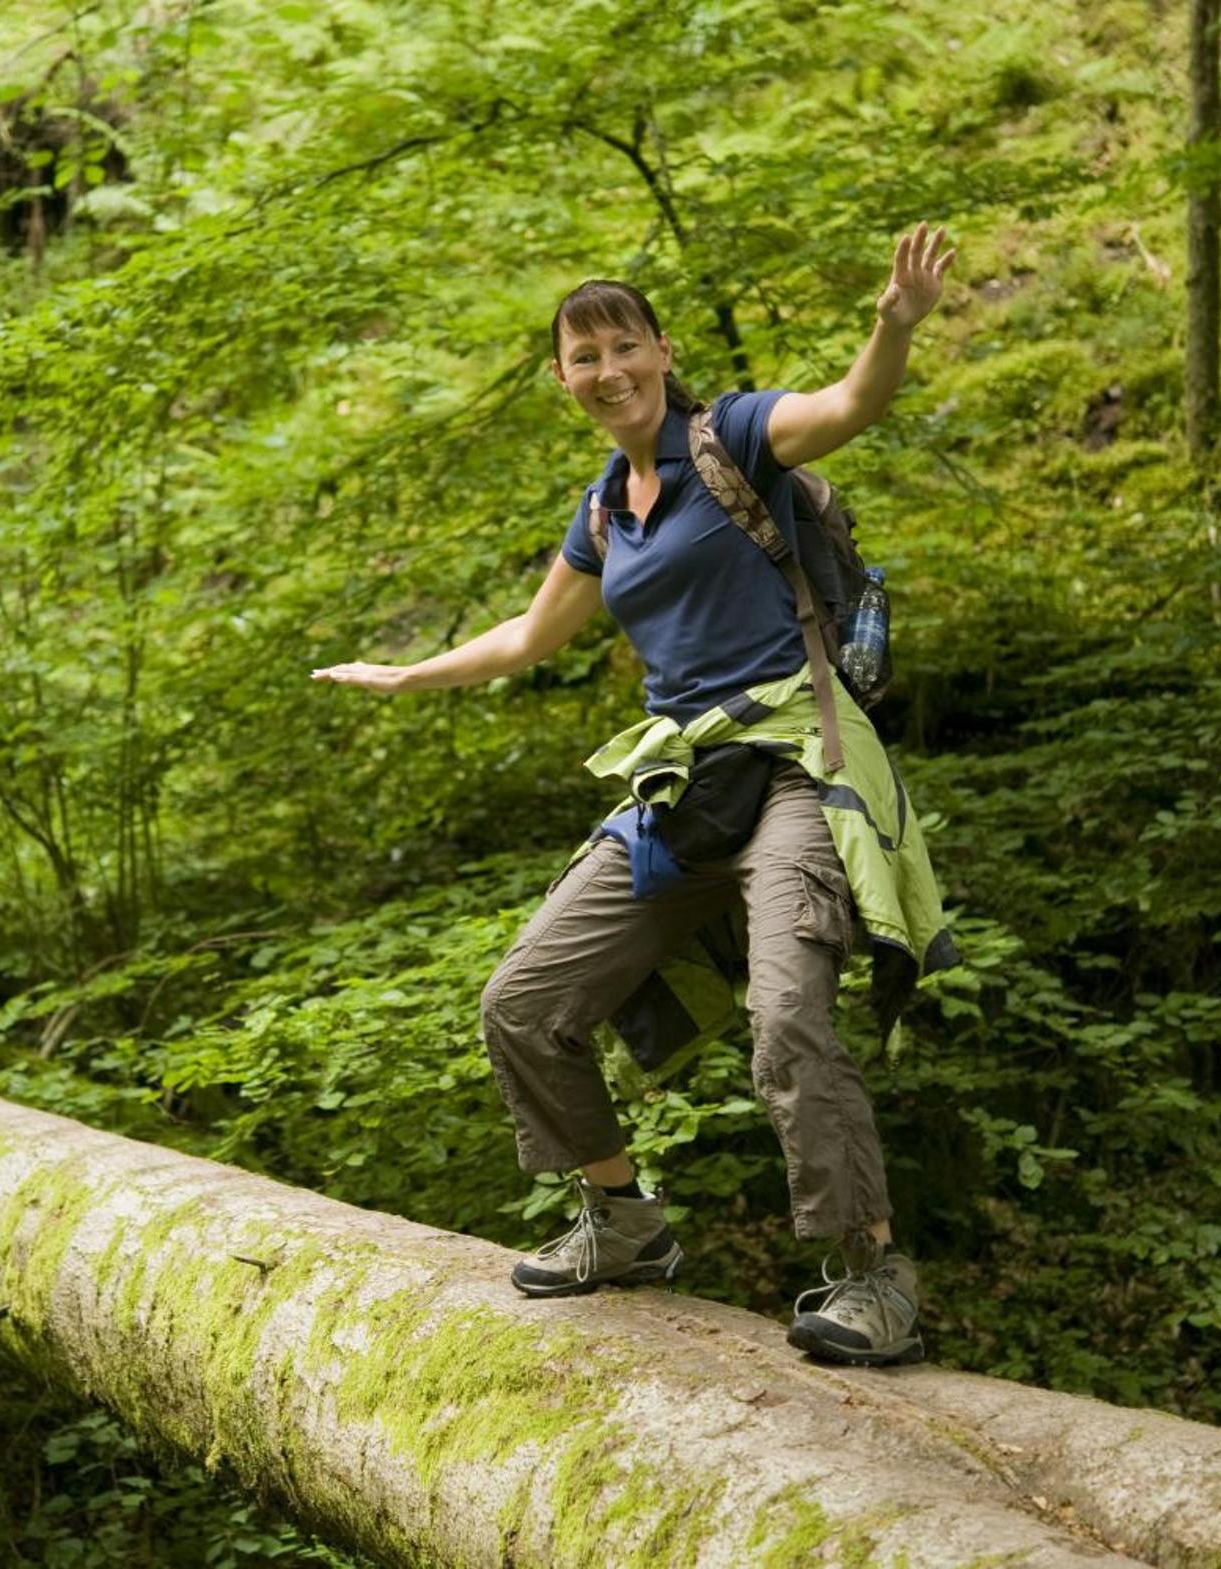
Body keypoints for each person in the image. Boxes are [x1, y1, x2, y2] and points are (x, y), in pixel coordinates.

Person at [312, 224, 958, 1366]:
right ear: (560, 378)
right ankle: (622, 1222)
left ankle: (873, 1278)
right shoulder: (606, 508)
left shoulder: (735, 438)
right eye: (584, 357)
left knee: (788, 1018)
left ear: (661, 351)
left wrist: (892, 328)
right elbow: (528, 636)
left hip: (795, 763)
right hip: (684, 786)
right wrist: (409, 673)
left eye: (624, 347)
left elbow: (850, 406)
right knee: (524, 1002)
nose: (608, 370)